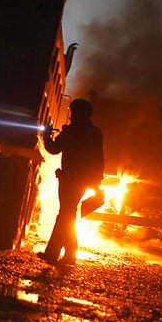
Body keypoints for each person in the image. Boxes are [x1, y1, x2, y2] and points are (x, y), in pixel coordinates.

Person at [38, 98, 104, 266]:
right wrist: (96, 181)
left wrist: (46, 135)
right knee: (68, 215)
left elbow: (53, 149)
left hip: (69, 179)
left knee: (65, 215)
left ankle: (55, 254)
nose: (72, 115)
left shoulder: (72, 131)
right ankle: (68, 255)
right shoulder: (95, 133)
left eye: (73, 111)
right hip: (82, 180)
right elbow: (98, 159)